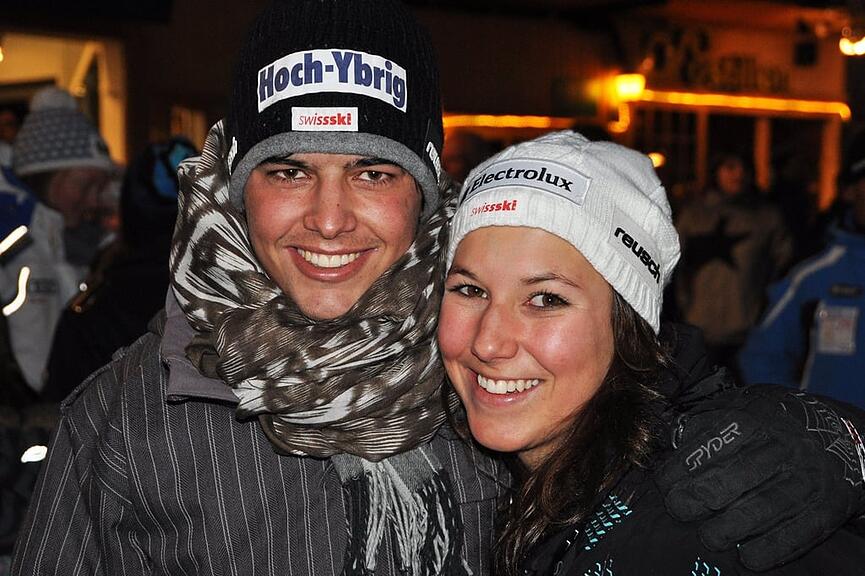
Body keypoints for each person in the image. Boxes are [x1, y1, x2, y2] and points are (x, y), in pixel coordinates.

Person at [11, 2, 865, 574]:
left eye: (374, 171)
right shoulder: (125, 419)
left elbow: (653, 394)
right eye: (290, 170)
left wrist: (838, 441)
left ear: (424, 193)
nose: (329, 219)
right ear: (238, 191)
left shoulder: (484, 372)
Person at [439, 131, 865, 575]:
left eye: (546, 299)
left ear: (628, 323)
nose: (488, 342)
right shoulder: (454, 460)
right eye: (470, 290)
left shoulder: (713, 511)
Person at [41, 137, 198, 402]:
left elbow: (58, 410)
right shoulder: (237, 298)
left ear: (129, 209)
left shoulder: (93, 310)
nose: (93, 202)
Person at [739, 132, 865, 408]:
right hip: (835, 433)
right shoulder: (814, 275)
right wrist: (800, 420)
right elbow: (762, 357)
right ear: (850, 190)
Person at [0, 86, 113, 393]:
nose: (94, 200)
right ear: (48, 176)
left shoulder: (85, 247)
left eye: (100, 187)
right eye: (85, 185)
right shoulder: (11, 244)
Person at [674, 152, 793, 374]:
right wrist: (684, 308)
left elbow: (783, 268)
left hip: (748, 332)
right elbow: (676, 267)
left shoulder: (767, 218)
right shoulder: (694, 215)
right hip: (700, 329)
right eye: (730, 167)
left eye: (744, 168)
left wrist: (763, 310)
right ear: (716, 171)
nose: (738, 174)